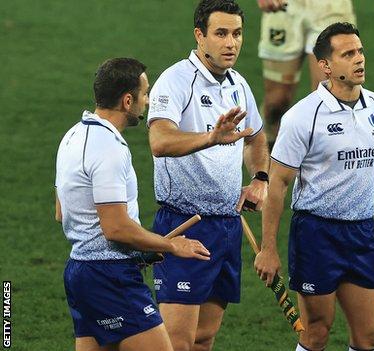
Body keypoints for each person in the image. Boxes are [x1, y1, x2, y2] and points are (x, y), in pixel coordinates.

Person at [254, 22, 374, 351]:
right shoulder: (303, 117)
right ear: (325, 66)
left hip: (361, 234)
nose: (359, 59)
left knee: (370, 336)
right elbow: (279, 183)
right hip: (316, 234)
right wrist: (268, 248)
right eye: (347, 54)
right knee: (317, 331)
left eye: (360, 51)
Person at [54, 58, 211, 351]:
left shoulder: (71, 137)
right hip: (110, 277)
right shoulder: (108, 147)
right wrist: (170, 246)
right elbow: (115, 228)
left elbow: (61, 211)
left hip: (80, 272)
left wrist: (141, 249)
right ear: (128, 100)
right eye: (145, 93)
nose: (148, 101)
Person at [146, 0, 269, 350]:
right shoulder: (176, 80)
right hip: (185, 224)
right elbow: (159, 140)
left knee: (204, 339)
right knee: (178, 342)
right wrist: (210, 138)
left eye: (237, 34)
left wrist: (260, 177)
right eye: (221, 34)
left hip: (227, 226)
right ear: (200, 36)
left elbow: (257, 137)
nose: (231, 43)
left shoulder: (238, 84)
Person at [256, 0, 356, 147]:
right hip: (284, 9)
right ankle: (269, 157)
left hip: (331, 9)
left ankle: (321, 166)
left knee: (329, 101)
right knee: (276, 102)